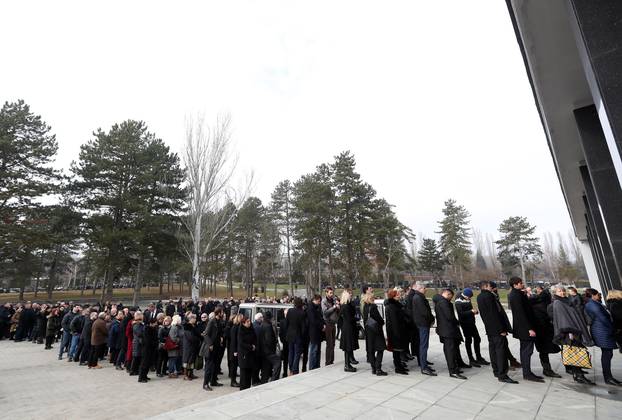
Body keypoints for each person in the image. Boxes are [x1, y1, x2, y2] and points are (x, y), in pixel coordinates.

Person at [548, 284, 594, 384]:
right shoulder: (558, 303)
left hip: (574, 330)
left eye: (563, 290)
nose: (562, 292)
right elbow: (562, 319)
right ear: (555, 293)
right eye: (559, 291)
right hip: (570, 332)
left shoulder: (566, 301)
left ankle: (577, 373)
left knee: (577, 352)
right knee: (575, 353)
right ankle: (578, 376)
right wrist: (569, 332)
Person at [477, 280, 517, 384]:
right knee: (501, 352)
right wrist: (501, 329)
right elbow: (495, 314)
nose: (492, 288)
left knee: (493, 350)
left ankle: (496, 371)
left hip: (490, 328)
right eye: (490, 286)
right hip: (497, 329)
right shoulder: (490, 296)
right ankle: (502, 374)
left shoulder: (479, 296)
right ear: (486, 286)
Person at [508, 277, 545, 382]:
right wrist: (529, 329)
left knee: (526, 351)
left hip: (523, 328)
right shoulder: (516, 295)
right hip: (524, 328)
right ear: (515, 285)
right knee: (526, 351)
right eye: (520, 283)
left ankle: (527, 373)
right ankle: (527, 374)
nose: (522, 284)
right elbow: (521, 314)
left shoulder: (517, 294)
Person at [584, 288, 621, 386]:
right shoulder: (592, 304)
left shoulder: (594, 303)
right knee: (607, 354)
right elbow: (603, 318)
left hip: (602, 330)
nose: (599, 296)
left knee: (608, 354)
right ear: (593, 295)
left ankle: (608, 377)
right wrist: (613, 329)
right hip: (602, 331)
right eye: (598, 294)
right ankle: (608, 378)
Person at [529, 286, 562, 378]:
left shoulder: (535, 305)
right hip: (544, 332)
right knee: (544, 351)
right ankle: (547, 370)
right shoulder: (544, 306)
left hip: (540, 332)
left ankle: (547, 369)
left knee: (543, 351)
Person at [434, 289, 467, 379]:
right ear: (447, 294)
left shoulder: (440, 301)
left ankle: (454, 368)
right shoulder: (443, 303)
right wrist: (457, 322)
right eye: (450, 297)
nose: (451, 299)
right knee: (450, 351)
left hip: (446, 330)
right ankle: (453, 371)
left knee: (450, 350)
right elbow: (449, 316)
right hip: (448, 330)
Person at [455, 288, 488, 367]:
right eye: (469, 297)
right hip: (465, 324)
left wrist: (474, 312)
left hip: (472, 323)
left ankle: (479, 357)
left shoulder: (467, 299)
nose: (470, 299)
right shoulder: (458, 302)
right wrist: (471, 312)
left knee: (477, 339)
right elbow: (461, 313)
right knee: (468, 340)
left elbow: (470, 309)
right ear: (465, 295)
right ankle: (471, 359)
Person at [411, 281, 436, 376]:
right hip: (423, 324)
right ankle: (423, 367)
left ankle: (424, 364)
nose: (426, 290)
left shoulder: (418, 297)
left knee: (424, 345)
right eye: (424, 288)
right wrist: (432, 319)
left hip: (422, 323)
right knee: (423, 346)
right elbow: (424, 312)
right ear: (420, 288)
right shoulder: (418, 298)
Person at [385, 288, 409, 375]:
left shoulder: (396, 305)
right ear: (393, 296)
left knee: (398, 350)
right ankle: (398, 368)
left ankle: (400, 365)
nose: (399, 295)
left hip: (399, 331)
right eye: (397, 294)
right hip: (395, 332)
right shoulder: (391, 306)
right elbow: (394, 322)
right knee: (396, 350)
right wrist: (397, 334)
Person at [362, 289, 387, 375]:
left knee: (371, 350)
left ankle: (373, 368)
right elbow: (379, 319)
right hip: (376, 331)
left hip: (369, 330)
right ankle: (378, 368)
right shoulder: (373, 307)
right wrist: (382, 322)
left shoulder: (365, 307)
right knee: (380, 348)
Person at [200, 307, 224, 391]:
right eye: (222, 312)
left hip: (217, 347)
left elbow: (219, 332)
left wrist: (221, 337)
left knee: (215, 366)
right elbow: (205, 334)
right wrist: (210, 344)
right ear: (218, 313)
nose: (223, 313)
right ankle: (205, 384)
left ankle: (213, 381)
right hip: (210, 348)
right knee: (209, 367)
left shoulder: (219, 321)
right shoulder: (212, 321)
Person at [338, 289, 359, 373]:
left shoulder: (344, 305)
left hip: (346, 327)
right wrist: (356, 318)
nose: (351, 296)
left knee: (348, 347)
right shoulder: (346, 306)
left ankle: (348, 364)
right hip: (348, 328)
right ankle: (347, 365)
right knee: (348, 347)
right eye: (349, 295)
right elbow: (349, 318)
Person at [286, 297, 306, 375]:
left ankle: (291, 369)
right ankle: (294, 370)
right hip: (298, 335)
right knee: (297, 354)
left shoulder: (290, 311)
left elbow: (287, 322)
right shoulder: (302, 313)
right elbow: (303, 327)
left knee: (291, 352)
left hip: (290, 334)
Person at [259, 311, 281, 382]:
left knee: (266, 367)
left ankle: (264, 380)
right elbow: (269, 340)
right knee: (278, 362)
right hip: (268, 351)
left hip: (263, 350)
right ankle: (274, 379)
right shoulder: (268, 326)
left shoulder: (262, 324)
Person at [321, 287, 340, 366]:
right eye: (330, 293)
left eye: (332, 293)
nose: (332, 294)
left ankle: (331, 361)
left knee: (333, 343)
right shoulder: (324, 301)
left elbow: (337, 311)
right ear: (326, 293)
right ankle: (328, 362)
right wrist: (334, 307)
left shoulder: (333, 300)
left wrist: (338, 307)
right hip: (328, 323)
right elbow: (325, 312)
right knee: (329, 343)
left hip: (333, 323)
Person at [238, 315, 257, 390]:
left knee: (249, 374)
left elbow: (255, 338)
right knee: (244, 375)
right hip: (244, 355)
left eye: (249, 321)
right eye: (247, 322)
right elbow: (241, 343)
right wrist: (251, 347)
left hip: (251, 355)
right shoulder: (241, 330)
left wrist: (254, 345)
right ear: (243, 323)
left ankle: (248, 388)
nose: (249, 323)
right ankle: (242, 389)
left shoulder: (251, 329)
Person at [306, 294, 325, 371]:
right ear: (316, 300)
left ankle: (317, 366)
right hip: (313, 332)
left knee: (317, 351)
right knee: (313, 351)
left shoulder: (316, 307)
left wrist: (324, 324)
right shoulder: (311, 308)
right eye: (319, 301)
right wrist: (322, 326)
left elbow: (320, 317)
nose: (320, 303)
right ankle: (312, 367)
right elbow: (313, 321)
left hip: (317, 332)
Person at [182, 313, 200, 381]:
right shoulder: (187, 327)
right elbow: (191, 338)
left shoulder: (194, 326)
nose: (195, 320)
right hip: (188, 346)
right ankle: (185, 375)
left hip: (193, 346)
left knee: (192, 361)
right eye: (194, 318)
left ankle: (191, 374)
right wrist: (198, 339)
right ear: (190, 319)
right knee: (187, 361)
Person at [228, 313, 242, 387]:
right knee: (233, 367)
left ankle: (234, 381)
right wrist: (235, 351)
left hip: (235, 349)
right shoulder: (235, 327)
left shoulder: (237, 327)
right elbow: (234, 340)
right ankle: (233, 382)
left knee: (235, 366)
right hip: (234, 350)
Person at [130, 311, 145, 376]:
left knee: (138, 357)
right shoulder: (136, 325)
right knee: (136, 357)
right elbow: (139, 333)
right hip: (137, 342)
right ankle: (132, 370)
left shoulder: (140, 324)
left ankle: (135, 370)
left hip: (139, 342)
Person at [278, 309, 289, 378]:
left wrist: (282, 341)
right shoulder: (284, 321)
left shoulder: (282, 322)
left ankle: (285, 373)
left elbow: (280, 334)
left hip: (285, 343)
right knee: (287, 359)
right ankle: (286, 372)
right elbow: (280, 333)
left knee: (285, 359)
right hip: (288, 343)